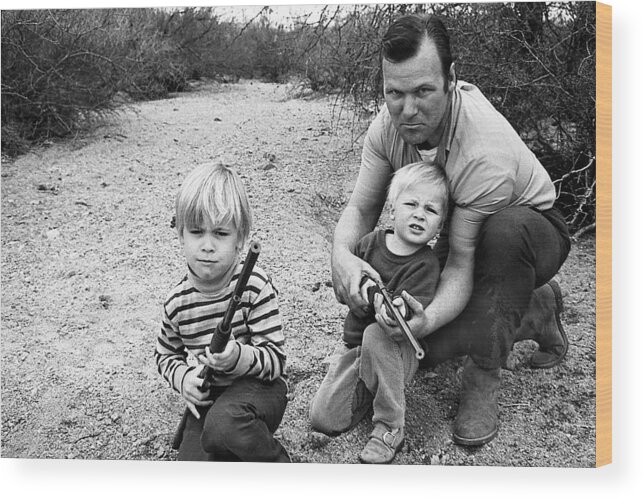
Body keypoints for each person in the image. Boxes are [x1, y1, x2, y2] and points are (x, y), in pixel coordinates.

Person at [312, 14, 571, 450]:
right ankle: (531, 313)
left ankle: (485, 370)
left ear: (451, 79)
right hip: (460, 228)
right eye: (394, 93)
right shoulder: (385, 127)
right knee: (412, 345)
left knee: (500, 240)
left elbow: (461, 262)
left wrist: (428, 318)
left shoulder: (482, 149)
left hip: (530, 230)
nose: (407, 110)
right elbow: (362, 206)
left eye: (423, 91)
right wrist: (341, 254)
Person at [311, 161, 448, 464]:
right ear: (392, 208)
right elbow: (349, 286)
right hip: (357, 348)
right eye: (411, 203)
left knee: (378, 331)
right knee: (323, 418)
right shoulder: (370, 243)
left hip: (398, 352)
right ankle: (368, 388)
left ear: (440, 225)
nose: (419, 214)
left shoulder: (426, 265)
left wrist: (396, 308)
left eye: (431, 210)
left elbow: (414, 307)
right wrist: (363, 292)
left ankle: (389, 424)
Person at [155, 162, 290, 462]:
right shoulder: (178, 302)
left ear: (240, 239)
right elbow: (165, 355)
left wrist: (239, 358)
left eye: (220, 233)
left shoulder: (255, 285)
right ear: (180, 235)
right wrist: (184, 380)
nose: (207, 245)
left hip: (260, 389)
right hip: (211, 398)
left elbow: (277, 360)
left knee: (223, 427)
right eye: (196, 232)